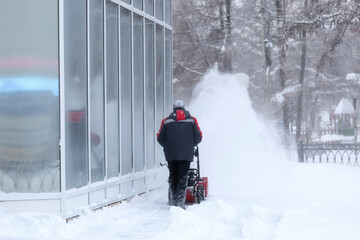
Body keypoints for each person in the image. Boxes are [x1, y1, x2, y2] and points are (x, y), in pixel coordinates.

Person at [157, 100, 202, 209]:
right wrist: (191, 145)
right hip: (186, 154)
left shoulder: (166, 121)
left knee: (173, 177)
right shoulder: (192, 120)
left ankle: (173, 202)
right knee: (183, 178)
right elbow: (199, 136)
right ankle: (180, 204)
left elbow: (160, 138)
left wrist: (168, 146)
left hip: (171, 154)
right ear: (184, 108)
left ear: (174, 109)